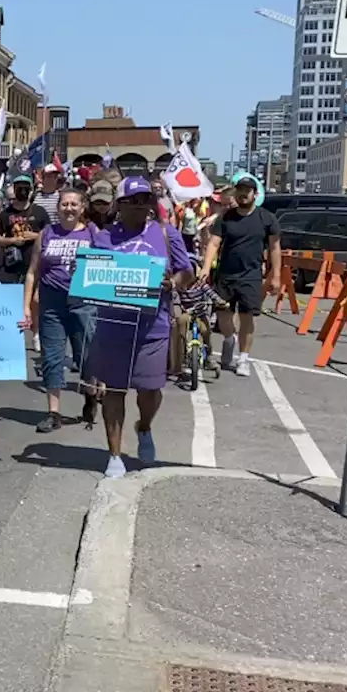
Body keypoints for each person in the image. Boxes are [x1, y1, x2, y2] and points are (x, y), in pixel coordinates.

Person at [86, 178, 194, 478]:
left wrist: (172, 282)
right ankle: (115, 455)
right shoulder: (104, 238)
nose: (140, 204)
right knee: (114, 391)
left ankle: (144, 426)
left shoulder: (165, 232)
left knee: (149, 390)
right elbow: (90, 275)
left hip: (153, 327)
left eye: (145, 198)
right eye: (133, 199)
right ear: (119, 204)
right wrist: (81, 273)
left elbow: (187, 271)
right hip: (113, 326)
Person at [20, 189, 98, 433]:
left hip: (83, 301)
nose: (69, 208)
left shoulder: (92, 233)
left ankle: (91, 395)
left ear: (82, 208)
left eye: (74, 204)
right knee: (52, 357)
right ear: (58, 207)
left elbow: (107, 265)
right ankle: (53, 413)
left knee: (85, 356)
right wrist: (26, 307)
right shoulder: (46, 234)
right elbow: (33, 271)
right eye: (64, 204)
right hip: (52, 303)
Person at [201, 173, 280, 377]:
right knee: (223, 317)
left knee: (247, 319)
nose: (244, 194)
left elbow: (274, 249)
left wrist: (275, 275)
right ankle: (229, 339)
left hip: (251, 277)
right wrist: (205, 268)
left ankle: (243, 358)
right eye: (241, 190)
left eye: (248, 190)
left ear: (255, 194)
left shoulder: (266, 218)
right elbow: (214, 243)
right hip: (226, 275)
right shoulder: (226, 217)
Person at [0, 175, 49, 284]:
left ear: (30, 190)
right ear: (14, 190)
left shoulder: (40, 211)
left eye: (25, 188)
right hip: (12, 266)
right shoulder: (5, 214)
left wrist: (35, 236)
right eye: (19, 188)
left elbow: (50, 235)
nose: (22, 191)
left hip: (34, 265)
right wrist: (12, 241)